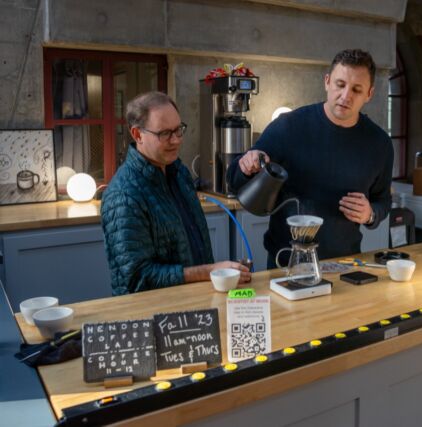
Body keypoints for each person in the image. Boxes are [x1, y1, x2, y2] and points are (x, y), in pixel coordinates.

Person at [227, 49, 393, 267]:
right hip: (285, 264)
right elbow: (234, 179)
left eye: (356, 89)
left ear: (369, 94)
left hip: (344, 263)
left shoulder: (379, 144)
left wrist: (370, 214)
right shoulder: (288, 126)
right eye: (340, 85)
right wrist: (247, 164)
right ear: (327, 82)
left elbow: (383, 201)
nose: (345, 96)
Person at [101, 91, 250, 295]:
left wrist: (221, 273)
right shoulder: (123, 194)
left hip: (192, 302)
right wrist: (208, 272)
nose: (176, 141)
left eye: (178, 130)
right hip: (152, 315)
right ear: (137, 135)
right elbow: (137, 279)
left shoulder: (179, 172)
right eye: (164, 134)